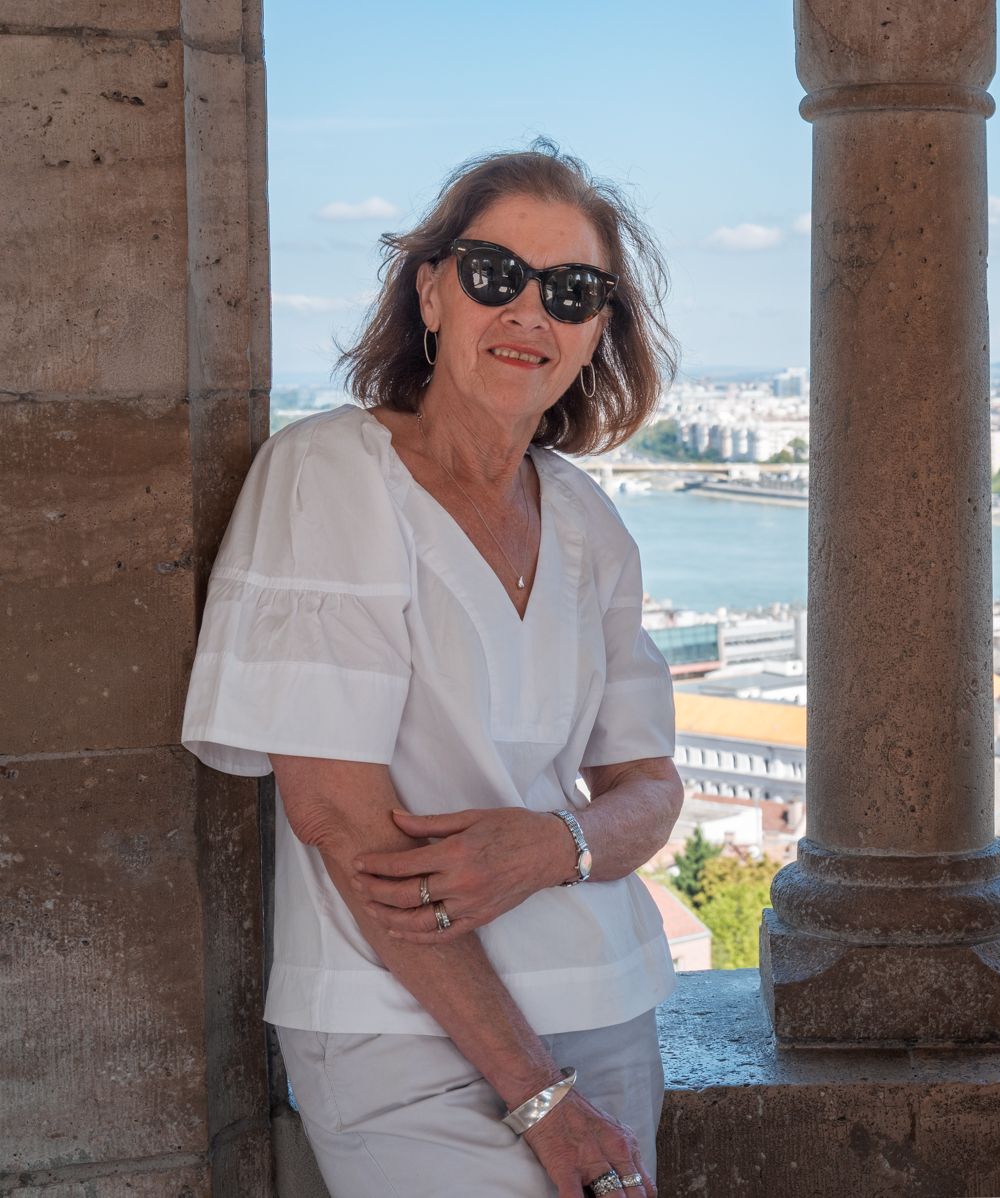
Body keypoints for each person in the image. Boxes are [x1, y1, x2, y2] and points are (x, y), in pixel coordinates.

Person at [182, 142, 683, 1198]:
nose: (529, 313)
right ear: (431, 291)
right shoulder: (329, 474)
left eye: (572, 291)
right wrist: (540, 1096)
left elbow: (650, 788)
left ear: (598, 331)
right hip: (393, 1025)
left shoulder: (590, 523)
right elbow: (344, 825)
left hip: (604, 998)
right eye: (495, 274)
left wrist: (558, 844)